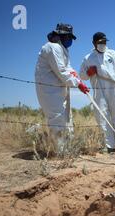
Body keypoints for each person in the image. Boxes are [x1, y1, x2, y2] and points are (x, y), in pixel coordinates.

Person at [35, 23, 90, 153]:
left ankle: (68, 148)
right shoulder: (52, 47)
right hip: (50, 90)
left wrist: (76, 76)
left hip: (61, 88)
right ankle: (60, 152)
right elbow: (61, 71)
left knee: (67, 118)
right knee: (57, 119)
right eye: (68, 37)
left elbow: (68, 68)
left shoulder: (63, 50)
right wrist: (78, 83)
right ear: (61, 36)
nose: (70, 40)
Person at [79, 32, 115, 155]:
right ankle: (109, 146)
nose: (102, 44)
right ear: (94, 43)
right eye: (100, 42)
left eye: (104, 42)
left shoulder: (113, 54)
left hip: (114, 89)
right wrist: (89, 72)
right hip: (99, 91)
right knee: (103, 117)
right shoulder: (88, 58)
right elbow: (82, 76)